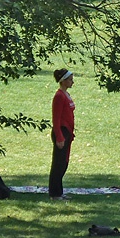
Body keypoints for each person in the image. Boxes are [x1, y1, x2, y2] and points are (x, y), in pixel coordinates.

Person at [49, 68, 75, 199]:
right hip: (61, 131)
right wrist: (59, 136)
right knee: (58, 164)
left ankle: (59, 191)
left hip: (67, 132)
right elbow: (56, 118)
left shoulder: (66, 94)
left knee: (64, 163)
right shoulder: (59, 96)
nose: (72, 82)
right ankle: (55, 193)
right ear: (63, 81)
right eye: (70, 80)